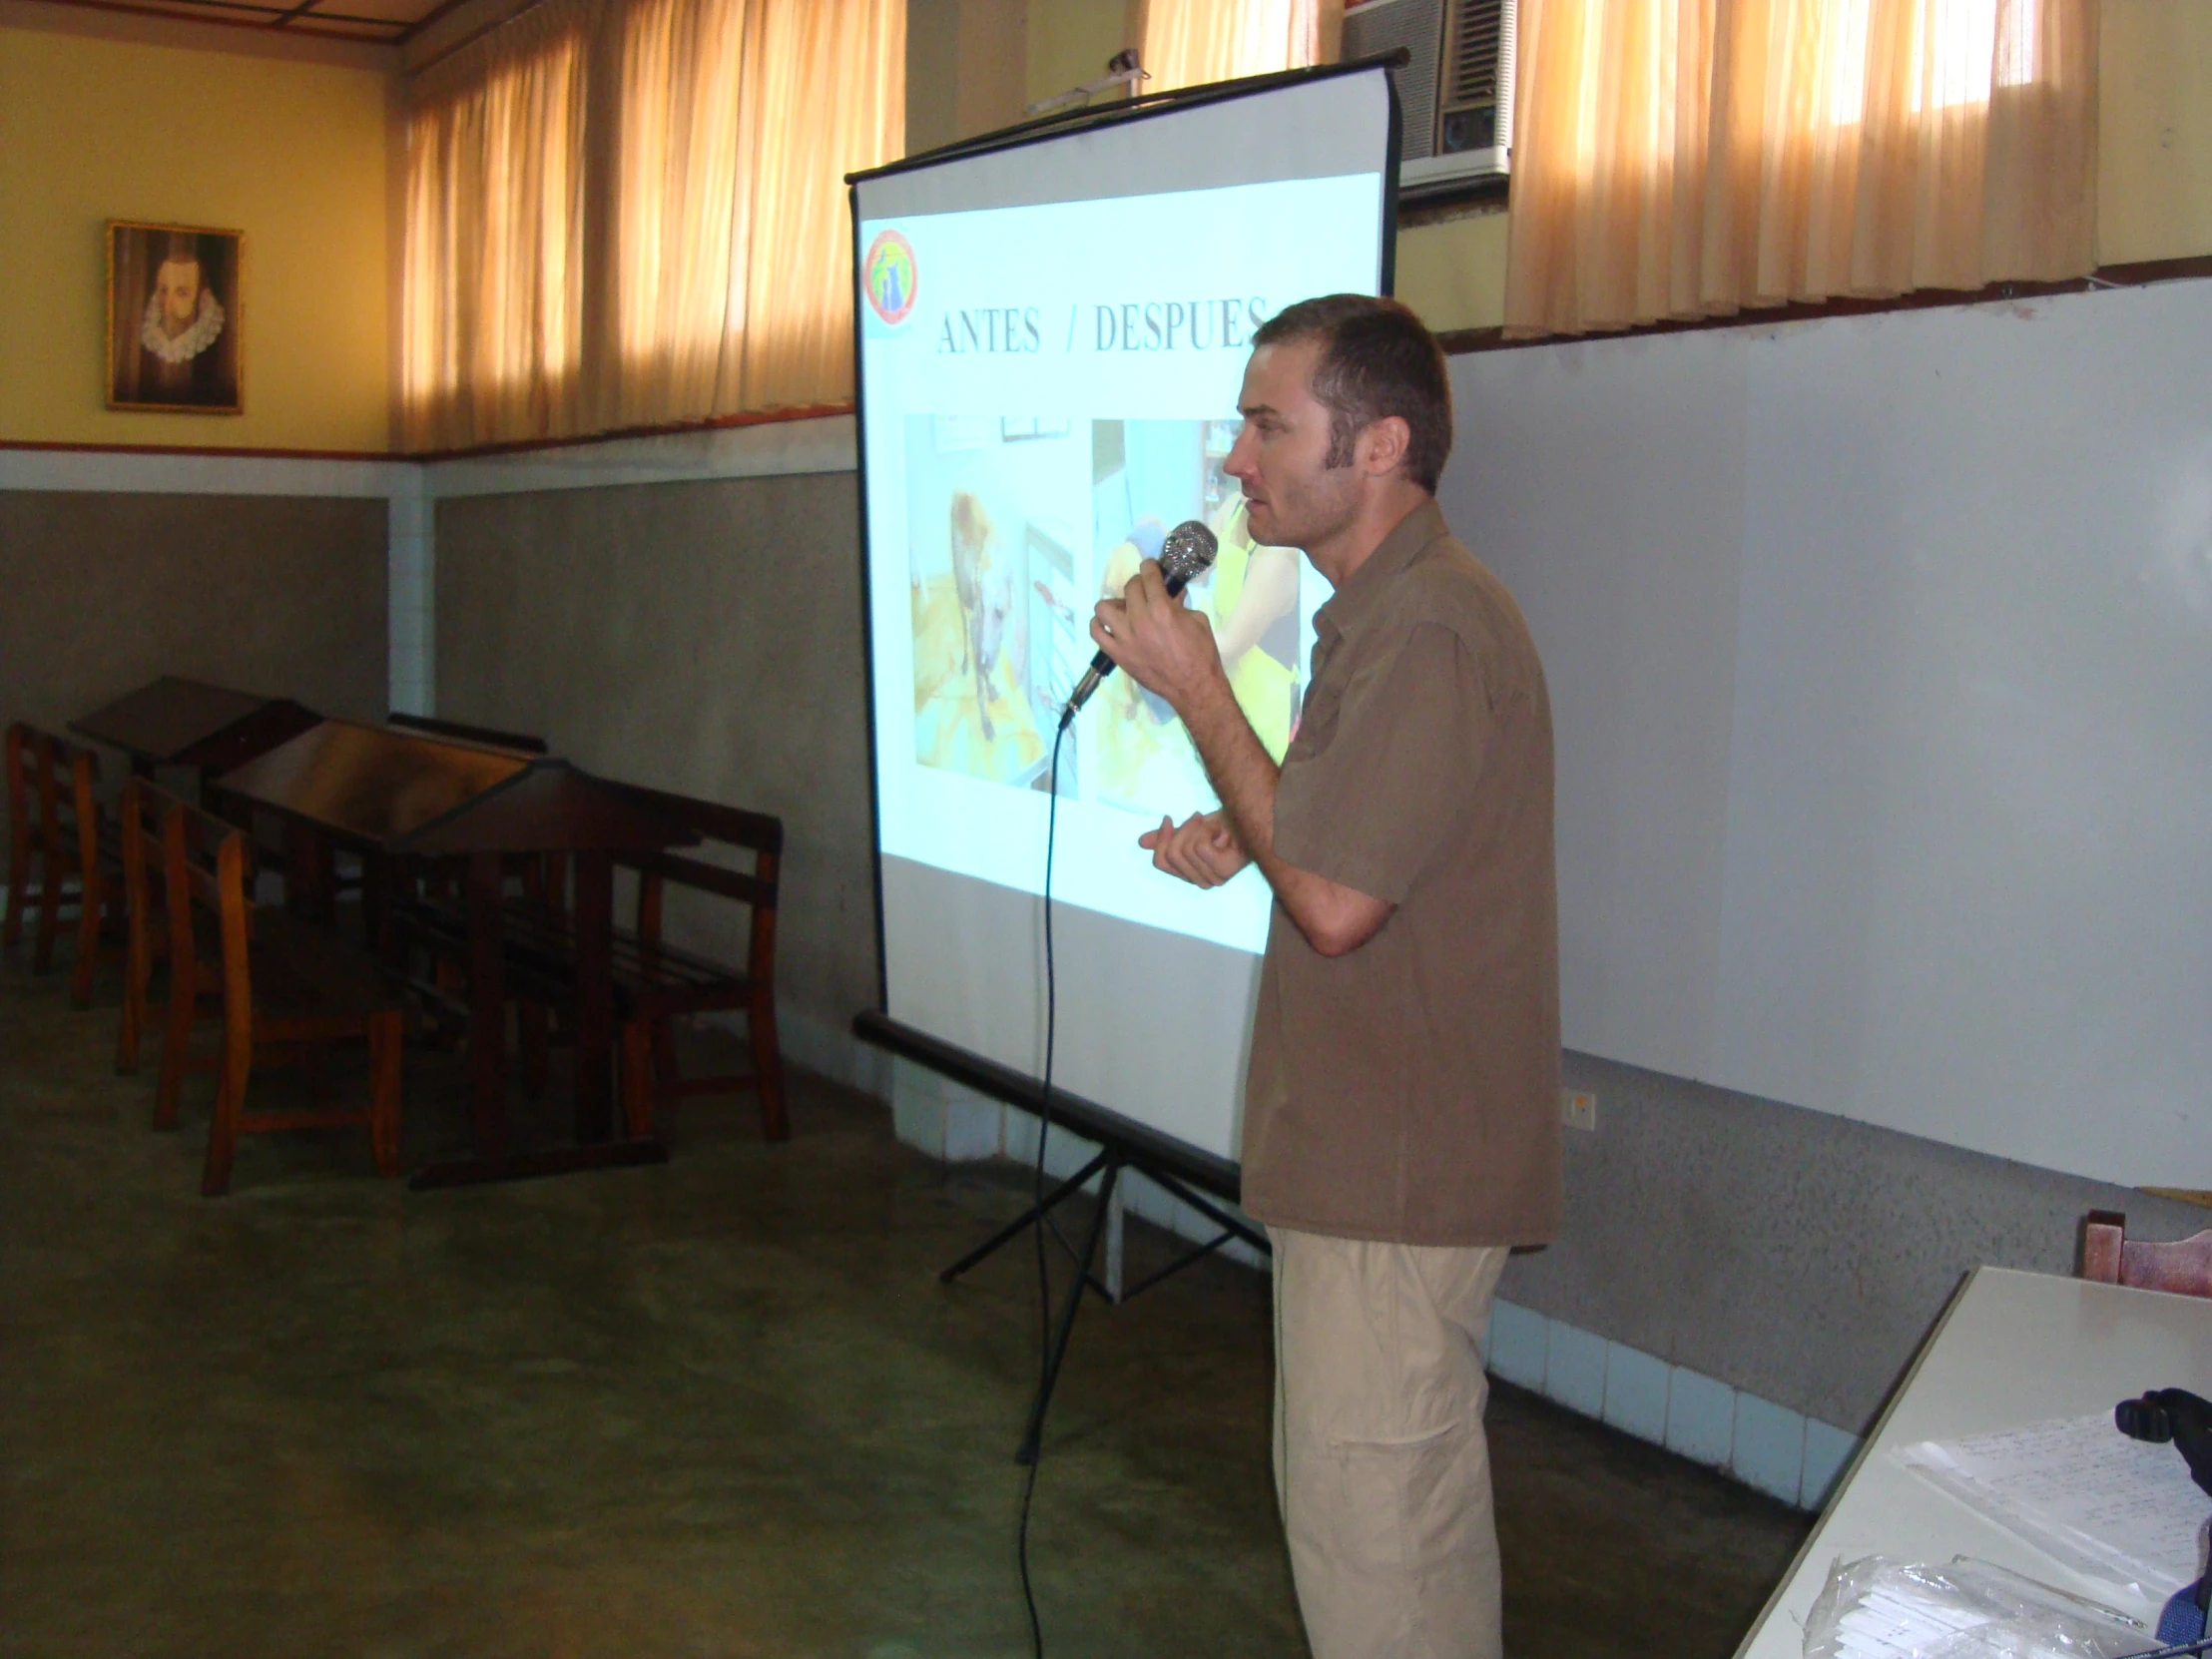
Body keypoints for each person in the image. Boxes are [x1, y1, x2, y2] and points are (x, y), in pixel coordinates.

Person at [1088, 293, 1561, 1659]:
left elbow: (1340, 908)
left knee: (1383, 1566)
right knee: (1384, 1532)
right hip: (1378, 1174)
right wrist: (1255, 833)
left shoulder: (1424, 627)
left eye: (1266, 424)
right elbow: (1358, 842)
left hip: (1394, 1186)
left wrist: (1198, 689)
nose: (1236, 460)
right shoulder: (1388, 613)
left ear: (1378, 445)